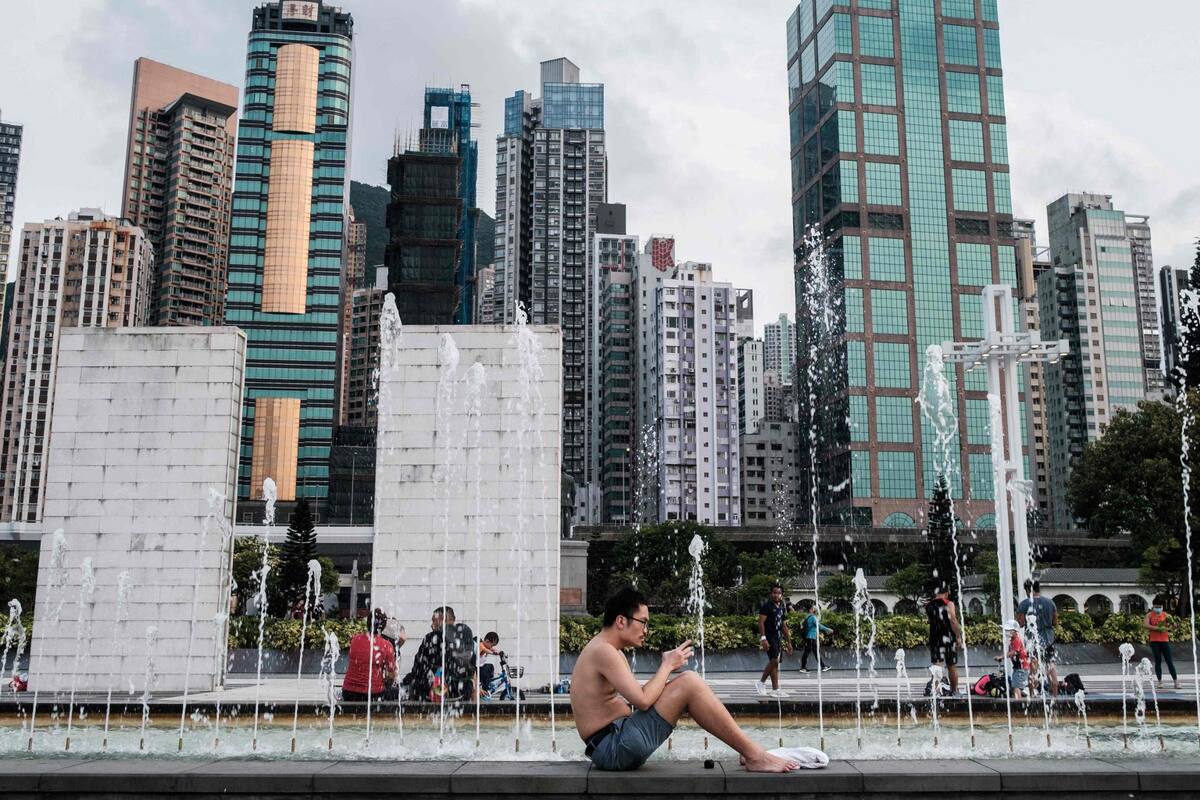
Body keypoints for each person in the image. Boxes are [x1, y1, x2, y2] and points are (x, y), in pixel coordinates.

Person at [570, 587, 802, 772]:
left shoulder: (608, 649)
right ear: (621, 621)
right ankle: (754, 755)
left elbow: (643, 696)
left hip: (616, 742)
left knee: (687, 682)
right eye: (643, 622)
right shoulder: (604, 651)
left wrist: (669, 675)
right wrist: (667, 665)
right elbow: (642, 700)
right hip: (614, 748)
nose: (646, 630)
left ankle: (748, 750)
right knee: (689, 682)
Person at [401, 606, 476, 701]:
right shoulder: (465, 636)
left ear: (442, 620)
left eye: (434, 621)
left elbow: (418, 669)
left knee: (414, 682)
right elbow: (472, 668)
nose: (431, 625)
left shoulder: (430, 638)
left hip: (435, 693)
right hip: (460, 693)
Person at [342, 608, 403, 702]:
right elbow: (391, 676)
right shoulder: (386, 645)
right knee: (397, 691)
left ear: (368, 623)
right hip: (373, 693)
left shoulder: (355, 640)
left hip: (348, 692)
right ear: (383, 626)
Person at [1017, 579, 1058, 696]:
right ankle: (1055, 698)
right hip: (1049, 641)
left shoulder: (1025, 603)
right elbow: (1055, 622)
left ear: (1027, 589)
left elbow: (1019, 624)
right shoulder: (1050, 603)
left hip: (1032, 642)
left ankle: (1032, 696)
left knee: (1033, 671)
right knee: (1051, 669)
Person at [755, 584, 793, 697]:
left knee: (775, 664)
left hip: (777, 637)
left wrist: (789, 642)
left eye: (779, 593)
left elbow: (783, 625)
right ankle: (761, 682)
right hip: (769, 636)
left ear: (782, 595)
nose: (776, 595)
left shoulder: (782, 606)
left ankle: (775, 689)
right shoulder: (766, 606)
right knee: (774, 661)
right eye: (774, 592)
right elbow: (761, 623)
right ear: (771, 594)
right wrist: (763, 638)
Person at [926, 583, 963, 695]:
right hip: (948, 637)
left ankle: (934, 691)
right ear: (946, 593)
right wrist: (958, 636)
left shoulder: (928, 605)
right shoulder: (948, 603)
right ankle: (954, 690)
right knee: (951, 665)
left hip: (935, 638)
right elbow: (953, 620)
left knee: (937, 665)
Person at [1146, 596, 1180, 689]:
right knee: (1158, 661)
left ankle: (1176, 682)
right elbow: (1146, 625)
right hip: (1154, 641)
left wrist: (1174, 626)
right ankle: (1160, 682)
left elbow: (1174, 626)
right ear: (1153, 606)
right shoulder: (1149, 615)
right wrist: (1157, 628)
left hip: (1164, 640)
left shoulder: (1166, 615)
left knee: (1169, 661)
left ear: (1162, 606)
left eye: (1159, 606)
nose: (1158, 608)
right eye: (1156, 606)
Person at [998, 619, 1030, 699]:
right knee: (1016, 685)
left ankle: (1018, 703)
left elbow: (1014, 652)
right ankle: (1020, 701)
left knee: (1016, 686)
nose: (1006, 632)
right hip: (1018, 667)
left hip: (1021, 667)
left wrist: (1002, 657)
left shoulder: (1016, 640)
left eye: (1008, 630)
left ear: (1014, 631)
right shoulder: (1012, 641)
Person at [798, 600, 832, 673]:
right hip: (811, 638)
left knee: (814, 652)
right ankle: (803, 667)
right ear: (811, 610)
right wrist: (827, 629)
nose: (815, 609)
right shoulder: (813, 617)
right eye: (813, 608)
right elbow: (819, 626)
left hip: (809, 637)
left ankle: (822, 666)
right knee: (807, 652)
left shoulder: (807, 617)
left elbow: (801, 624)